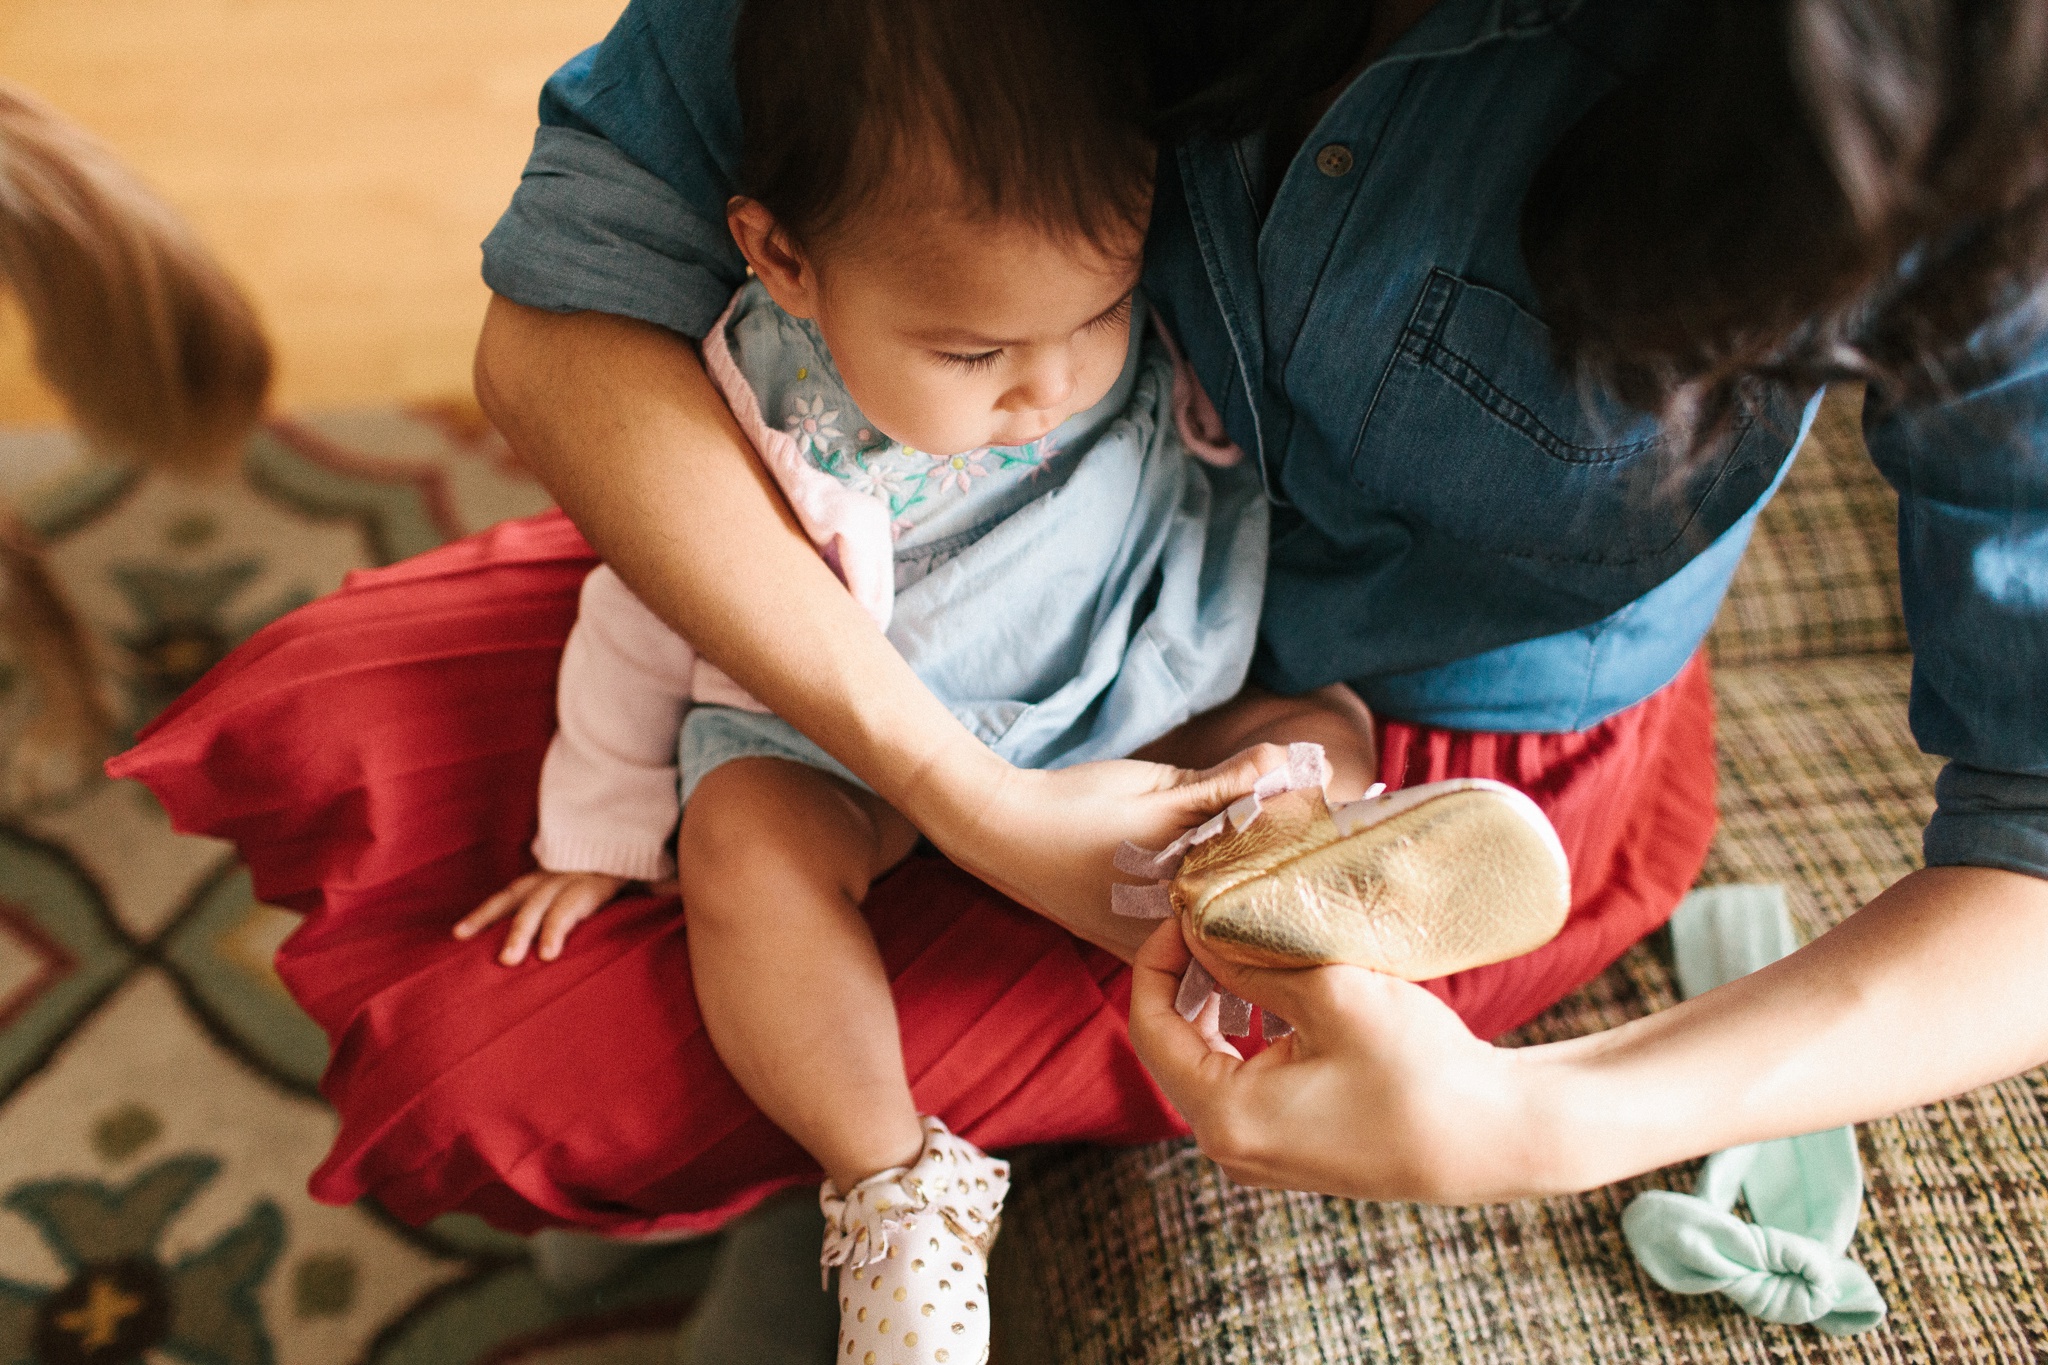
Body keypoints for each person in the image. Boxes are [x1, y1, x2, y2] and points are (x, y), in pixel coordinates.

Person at [470, 0, 2048, 1200]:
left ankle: (1282, 850)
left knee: (494, 1060)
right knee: (394, 787)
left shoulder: (1960, 99)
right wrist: (961, 791)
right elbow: (567, 312)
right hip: (979, 553)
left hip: (1414, 714)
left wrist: (1539, 1119)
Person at [444, 0, 1408, 1354]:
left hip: (1137, 675)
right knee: (745, 849)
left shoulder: (1079, 323)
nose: (1053, 384)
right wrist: (597, 820)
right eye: (972, 354)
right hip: (856, 743)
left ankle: (1306, 860)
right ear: (783, 258)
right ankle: (896, 1193)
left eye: (1101, 312)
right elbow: (635, 608)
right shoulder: (759, 407)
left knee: (1312, 724)